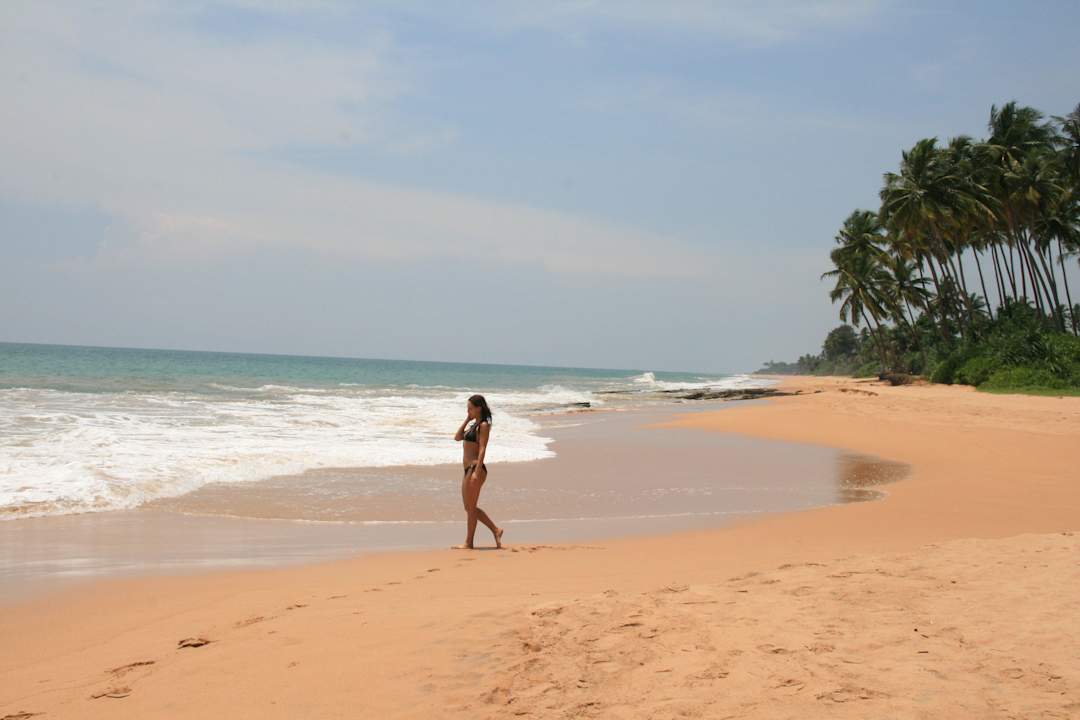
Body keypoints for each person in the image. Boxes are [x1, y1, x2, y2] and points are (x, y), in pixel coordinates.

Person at [453, 394, 503, 549]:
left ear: (479, 408)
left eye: (470, 408)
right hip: (468, 469)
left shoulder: (483, 426)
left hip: (476, 468)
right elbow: (457, 437)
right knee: (469, 507)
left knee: (471, 507)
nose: (468, 411)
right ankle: (495, 530)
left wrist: (476, 472)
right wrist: (467, 419)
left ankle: (470, 542)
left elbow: (482, 448)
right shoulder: (473, 425)